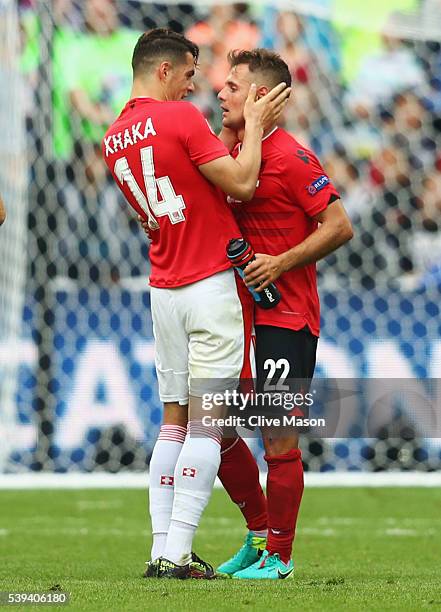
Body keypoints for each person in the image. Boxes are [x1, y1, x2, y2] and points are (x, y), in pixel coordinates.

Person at [102, 28, 290, 579]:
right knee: (208, 425)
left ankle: (160, 549)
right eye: (188, 75)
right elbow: (244, 181)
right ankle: (177, 554)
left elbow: (153, 212)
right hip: (208, 282)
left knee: (173, 424)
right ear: (163, 70)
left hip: (163, 288)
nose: (192, 89)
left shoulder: (114, 136)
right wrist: (253, 124)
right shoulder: (178, 119)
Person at [214, 49, 353, 579]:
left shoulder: (293, 158)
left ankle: (281, 556)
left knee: (278, 436)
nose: (220, 93)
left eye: (232, 86)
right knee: (218, 427)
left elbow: (339, 225)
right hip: (236, 319)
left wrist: (281, 262)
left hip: (285, 317)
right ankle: (257, 533)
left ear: (262, 97)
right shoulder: (230, 151)